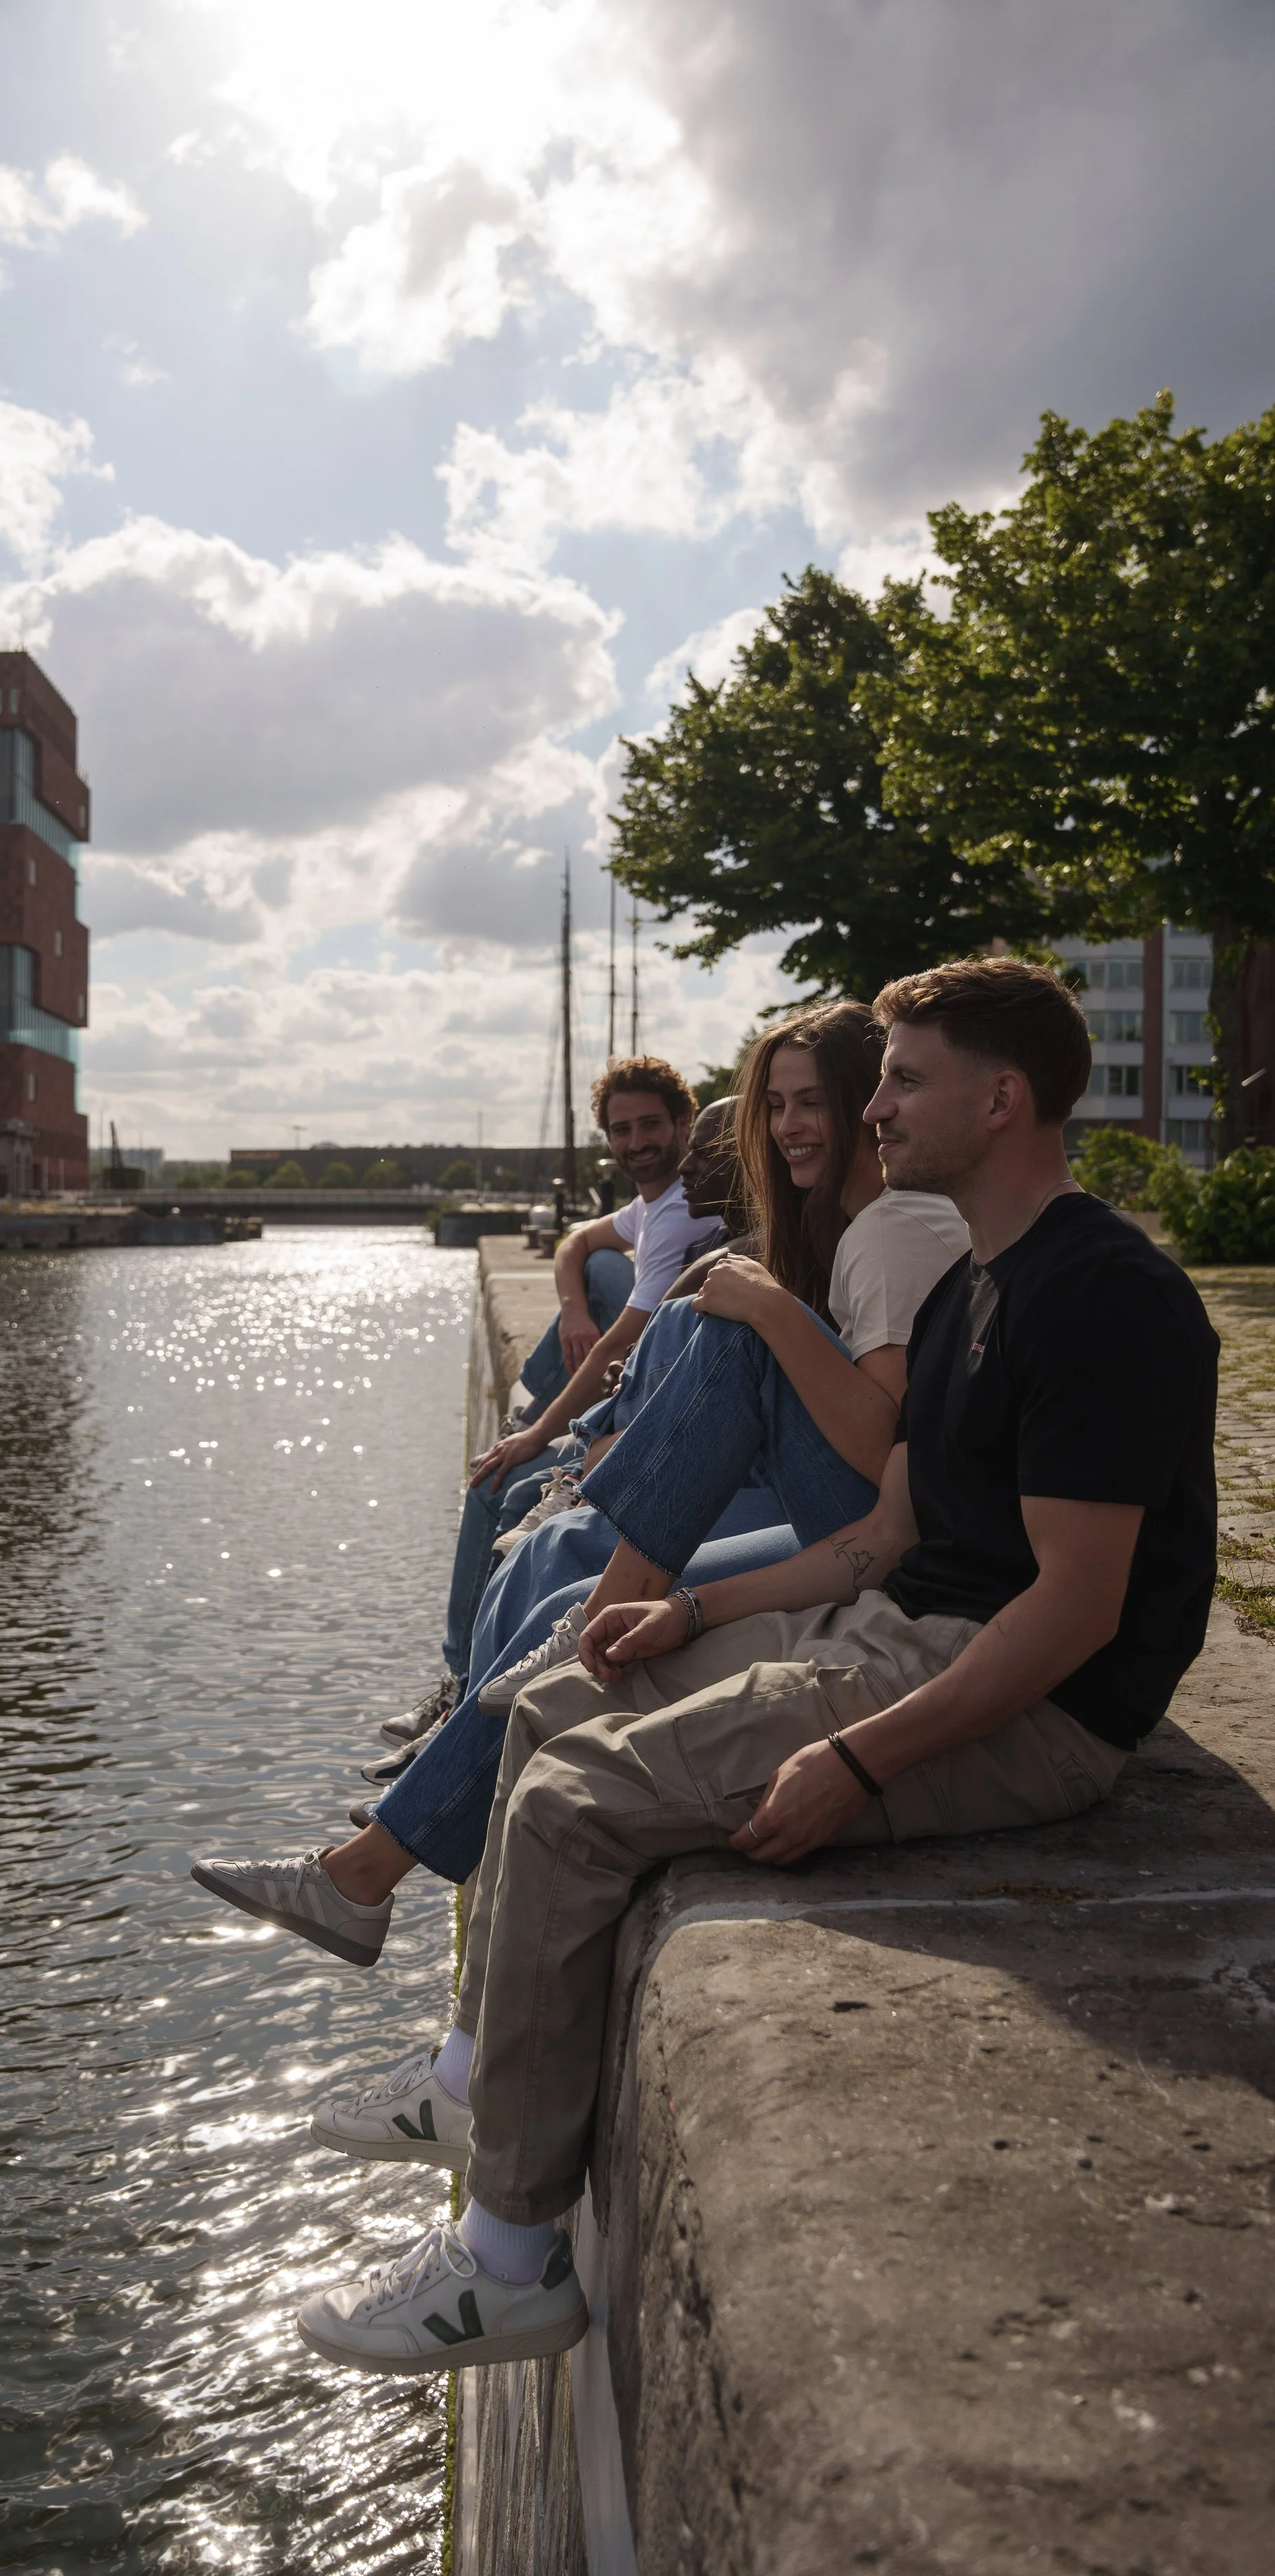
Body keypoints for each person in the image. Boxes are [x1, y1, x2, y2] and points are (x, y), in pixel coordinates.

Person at [286, 956, 1217, 2374]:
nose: (874, 1107)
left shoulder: (1100, 1297)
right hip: (907, 1629)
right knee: (554, 1691)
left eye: (901, 1078)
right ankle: (480, 2082)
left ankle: (508, 2257)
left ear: (1001, 1095)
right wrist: (692, 1618)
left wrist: (856, 1756)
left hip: (1019, 1703)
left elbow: (1075, 1615)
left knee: (568, 1802)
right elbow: (888, 1538)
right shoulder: (976, 1280)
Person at [190, 1002, 971, 1964]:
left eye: (817, 1102)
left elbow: (877, 1443)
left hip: (892, 1535)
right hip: (869, 1517)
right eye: (775, 1105)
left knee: (723, 1335)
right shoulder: (861, 1228)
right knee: (584, 1573)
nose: (789, 1126)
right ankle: (362, 1874)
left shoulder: (890, 1233)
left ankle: (377, 1886)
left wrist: (769, 1312)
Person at [370, 1054, 717, 1777]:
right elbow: (577, 1242)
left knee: (509, 1483)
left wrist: (534, 1433)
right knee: (592, 1278)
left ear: (684, 1123)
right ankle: (459, 1684)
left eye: (651, 1124)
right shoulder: (650, 1207)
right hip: (624, 1381)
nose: (636, 1142)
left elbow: (624, 1342)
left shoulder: (686, 1204)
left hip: (647, 1397)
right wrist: (567, 1305)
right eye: (620, 1130)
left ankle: (462, 1693)